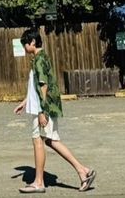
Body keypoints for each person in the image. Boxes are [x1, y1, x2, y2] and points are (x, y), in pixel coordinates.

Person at [14, 29, 96, 193]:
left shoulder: (39, 60)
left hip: (43, 108)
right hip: (44, 106)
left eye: (25, 43)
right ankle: (83, 171)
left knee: (38, 141)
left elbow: (44, 86)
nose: (23, 46)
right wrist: (25, 101)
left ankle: (39, 182)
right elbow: (37, 85)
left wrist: (41, 112)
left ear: (33, 43)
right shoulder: (41, 58)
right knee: (51, 140)